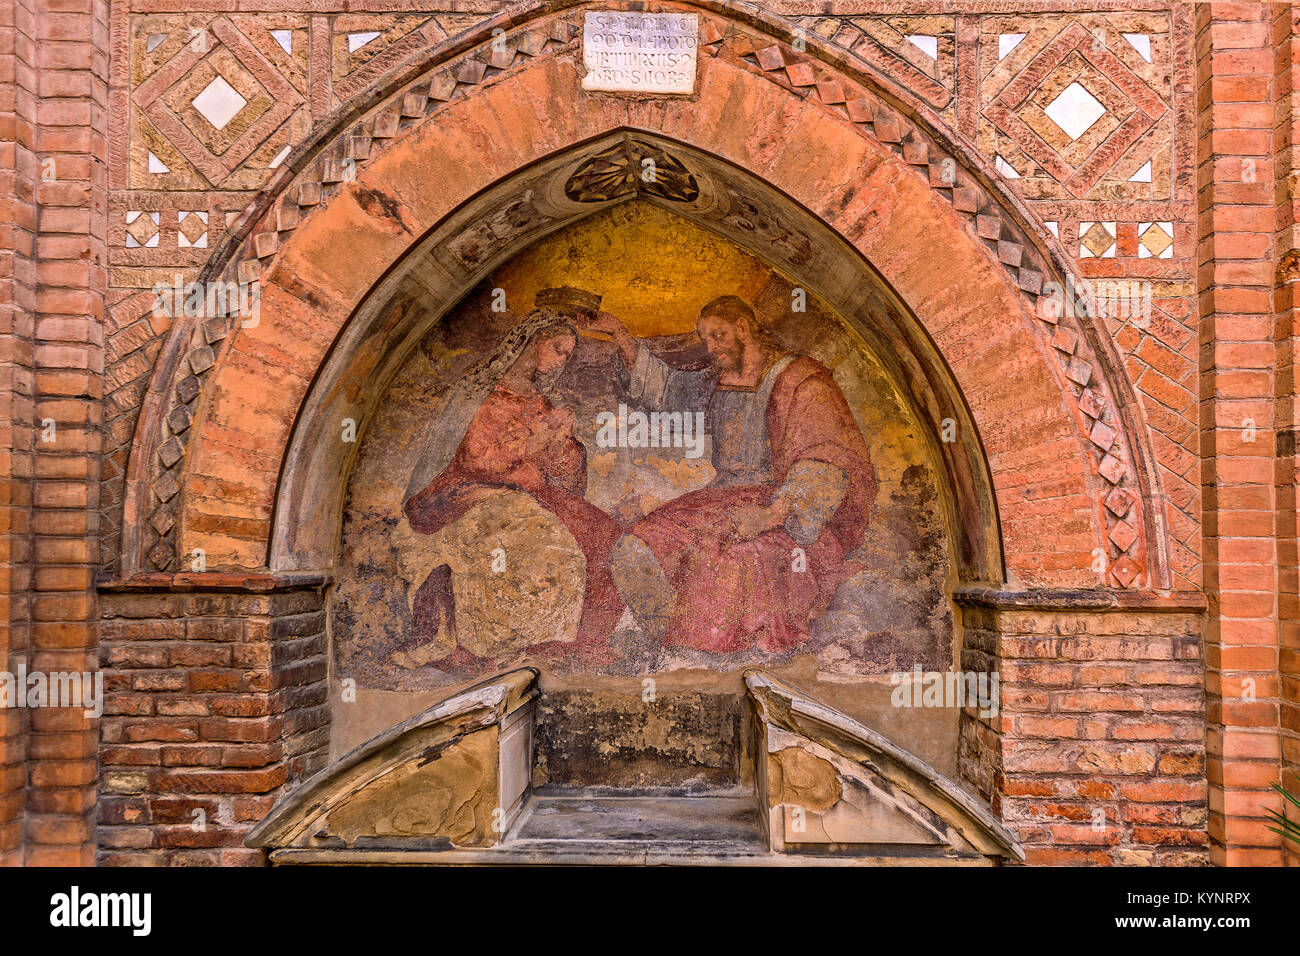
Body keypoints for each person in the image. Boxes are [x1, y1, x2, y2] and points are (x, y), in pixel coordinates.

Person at [584, 295, 878, 653]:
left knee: (721, 565)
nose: (711, 347)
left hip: (780, 505)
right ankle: (671, 647)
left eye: (718, 335)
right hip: (719, 497)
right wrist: (619, 334)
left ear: (743, 327)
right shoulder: (716, 380)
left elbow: (826, 455)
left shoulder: (799, 379)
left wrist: (773, 514)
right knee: (632, 550)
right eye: (704, 338)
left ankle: (702, 656)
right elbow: (665, 390)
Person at [400, 308, 625, 665]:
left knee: (607, 536)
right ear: (532, 342)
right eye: (556, 349)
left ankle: (582, 643)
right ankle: (509, 647)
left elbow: (563, 479)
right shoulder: (480, 393)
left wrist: (564, 445)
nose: (559, 361)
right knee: (550, 553)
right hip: (468, 496)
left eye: (566, 355)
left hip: (532, 495)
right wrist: (535, 446)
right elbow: (475, 461)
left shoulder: (539, 402)